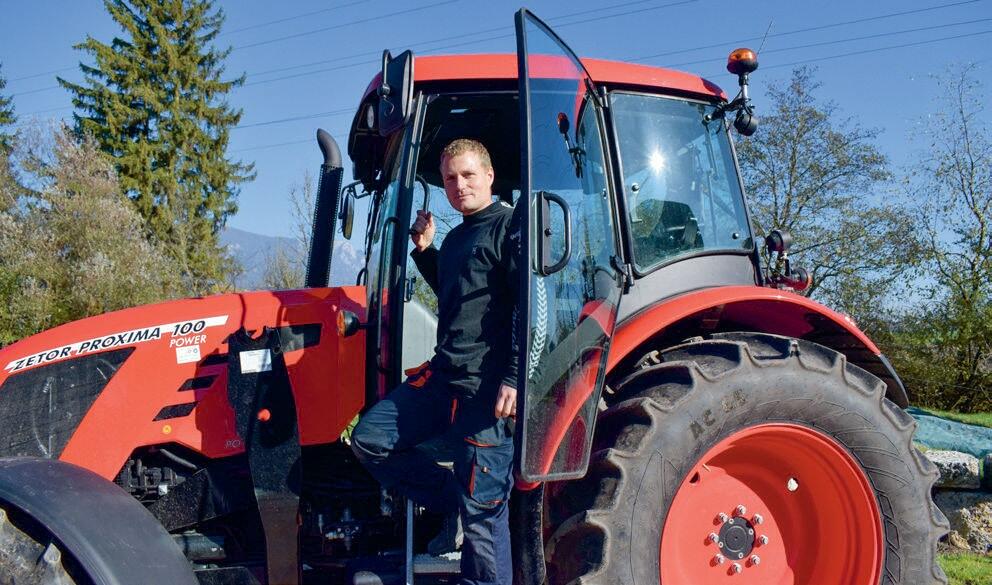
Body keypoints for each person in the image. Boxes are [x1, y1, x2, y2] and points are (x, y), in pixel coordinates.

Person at [350, 138, 519, 585]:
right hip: (445, 379)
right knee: (370, 439)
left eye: (467, 175)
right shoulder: (462, 234)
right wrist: (425, 250)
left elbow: (527, 306)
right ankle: (450, 501)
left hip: (486, 390)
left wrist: (515, 377)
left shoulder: (510, 227)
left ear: (488, 176)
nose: (458, 185)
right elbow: (456, 291)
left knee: (484, 519)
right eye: (449, 178)